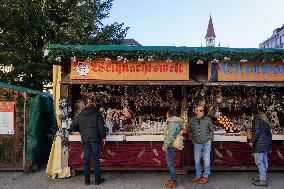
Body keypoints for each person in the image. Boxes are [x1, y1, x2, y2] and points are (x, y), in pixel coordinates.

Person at [70, 101, 106, 185]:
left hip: (85, 140)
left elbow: (72, 127)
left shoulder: (81, 115)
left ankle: (87, 181)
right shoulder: (97, 114)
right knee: (96, 160)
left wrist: (81, 131)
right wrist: (103, 137)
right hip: (95, 140)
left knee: (86, 160)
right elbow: (101, 128)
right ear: (94, 107)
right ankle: (97, 180)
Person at [188, 105, 214, 184]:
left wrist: (210, 139)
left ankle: (205, 176)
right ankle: (198, 176)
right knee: (197, 160)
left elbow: (211, 130)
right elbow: (189, 130)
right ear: (196, 111)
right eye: (199, 110)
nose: (201, 112)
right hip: (197, 143)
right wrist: (192, 139)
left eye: (202, 110)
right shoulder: (192, 120)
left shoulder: (208, 119)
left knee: (206, 160)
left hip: (206, 142)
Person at [250, 108, 272, 187]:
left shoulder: (256, 120)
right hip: (265, 144)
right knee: (264, 161)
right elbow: (269, 135)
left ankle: (263, 180)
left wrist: (252, 140)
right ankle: (262, 176)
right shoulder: (266, 122)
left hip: (259, 144)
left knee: (259, 162)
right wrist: (269, 146)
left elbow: (257, 131)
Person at [162, 109, 184, 188]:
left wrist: (165, 146)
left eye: (166, 114)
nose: (166, 115)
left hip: (171, 145)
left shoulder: (172, 123)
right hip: (172, 145)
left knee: (170, 162)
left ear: (169, 114)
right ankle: (173, 179)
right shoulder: (175, 122)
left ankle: (173, 180)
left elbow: (170, 136)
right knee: (170, 162)